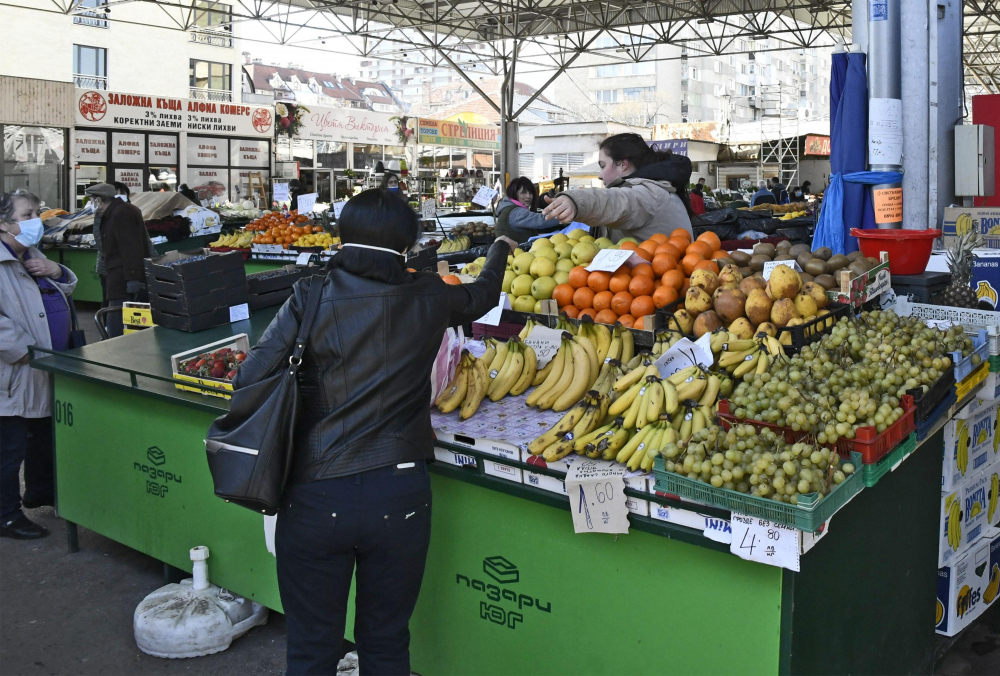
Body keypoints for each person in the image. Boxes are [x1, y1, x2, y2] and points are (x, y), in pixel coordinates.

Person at [232, 188, 518, 675]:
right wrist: (498, 249)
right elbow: (483, 296)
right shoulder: (428, 294)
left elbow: (250, 377)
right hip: (399, 493)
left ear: (343, 235)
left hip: (314, 493)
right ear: (407, 245)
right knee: (385, 643)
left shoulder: (311, 293)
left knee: (311, 648)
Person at [0, 190, 78, 539]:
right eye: (28, 214)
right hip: (15, 371)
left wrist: (57, 269)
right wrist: (24, 350)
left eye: (37, 212)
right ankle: (6, 515)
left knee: (42, 434)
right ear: (4, 223)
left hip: (45, 365)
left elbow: (64, 290)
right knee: (10, 446)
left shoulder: (30, 254)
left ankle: (40, 491)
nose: (37, 220)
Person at [541, 133, 693, 241]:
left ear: (623, 164)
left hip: (655, 282)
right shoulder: (653, 188)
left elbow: (615, 201)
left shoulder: (649, 193)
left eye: (603, 166)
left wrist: (575, 201)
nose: (599, 175)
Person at [86, 183, 148, 338]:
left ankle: (121, 347)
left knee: (121, 318)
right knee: (121, 316)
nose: (90, 205)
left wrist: (132, 278)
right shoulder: (113, 212)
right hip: (118, 275)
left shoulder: (121, 213)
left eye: (91, 200)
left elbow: (130, 247)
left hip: (122, 277)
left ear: (99, 200)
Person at [494, 177, 561, 243]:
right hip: (514, 253)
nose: (528, 196)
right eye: (523, 193)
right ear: (514, 193)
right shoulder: (515, 212)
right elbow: (540, 220)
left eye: (530, 193)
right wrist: (563, 214)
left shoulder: (508, 207)